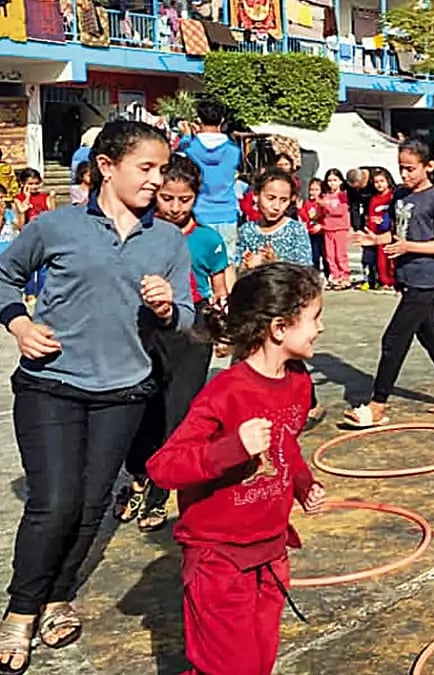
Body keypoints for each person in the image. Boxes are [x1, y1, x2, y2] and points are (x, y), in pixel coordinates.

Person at [0, 121, 194, 675]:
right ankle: (21, 609)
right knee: (54, 502)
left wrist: (165, 309)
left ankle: (59, 596)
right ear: (107, 167)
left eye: (162, 170)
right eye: (146, 168)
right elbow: (4, 275)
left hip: (125, 391)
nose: (157, 181)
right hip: (51, 383)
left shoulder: (167, 240)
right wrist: (17, 323)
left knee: (89, 506)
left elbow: (184, 316)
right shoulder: (55, 226)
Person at [147, 262, 327, 675]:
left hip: (271, 550)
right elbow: (163, 468)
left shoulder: (298, 381)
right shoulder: (225, 393)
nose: (320, 328)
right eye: (314, 318)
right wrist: (231, 449)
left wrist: (302, 484)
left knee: (258, 661)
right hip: (219, 558)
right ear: (279, 328)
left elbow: (286, 445)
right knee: (229, 666)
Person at [114, 153, 230, 533]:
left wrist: (223, 330)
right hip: (145, 325)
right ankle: (137, 478)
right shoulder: (137, 233)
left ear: (196, 197)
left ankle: (162, 488)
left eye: (185, 199)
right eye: (167, 198)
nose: (176, 207)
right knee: (142, 405)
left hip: (193, 329)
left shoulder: (208, 239)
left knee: (179, 411)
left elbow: (218, 292)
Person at [345, 139, 434, 427]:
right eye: (401, 168)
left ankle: (378, 404)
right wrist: (374, 240)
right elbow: (396, 234)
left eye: (410, 169)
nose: (404, 174)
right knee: (431, 335)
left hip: (426, 280)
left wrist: (409, 248)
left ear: (428, 167)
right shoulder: (399, 196)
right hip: (405, 276)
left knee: (393, 339)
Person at [177, 100, 242, 259]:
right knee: (227, 264)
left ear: (199, 121)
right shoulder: (234, 151)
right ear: (222, 121)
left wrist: (186, 136)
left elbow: (179, 153)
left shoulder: (190, 149)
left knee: (200, 264)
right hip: (227, 213)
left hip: (199, 214)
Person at [236, 170, 312, 272]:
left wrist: (273, 263)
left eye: (284, 200)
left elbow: (305, 273)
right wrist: (246, 265)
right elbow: (234, 270)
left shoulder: (296, 230)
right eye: (270, 198)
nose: (277, 206)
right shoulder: (246, 231)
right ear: (256, 196)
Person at [319, 169, 353, 290]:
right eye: (329, 180)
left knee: (340, 254)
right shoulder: (325, 196)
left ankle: (345, 277)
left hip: (340, 228)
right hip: (328, 228)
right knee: (330, 255)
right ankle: (335, 276)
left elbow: (340, 211)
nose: (331, 183)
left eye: (334, 180)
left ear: (340, 181)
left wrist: (325, 206)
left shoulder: (342, 195)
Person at [299, 179, 327, 277]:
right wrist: (300, 209)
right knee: (314, 255)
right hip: (312, 233)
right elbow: (305, 217)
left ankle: (328, 274)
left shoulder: (323, 203)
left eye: (316, 190)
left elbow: (326, 216)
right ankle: (315, 274)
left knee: (325, 255)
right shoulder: (308, 203)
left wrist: (322, 226)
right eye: (311, 190)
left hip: (322, 233)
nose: (313, 192)